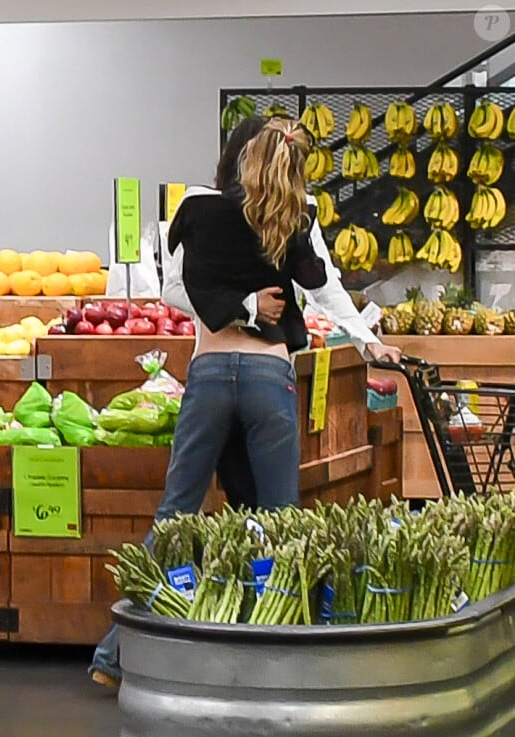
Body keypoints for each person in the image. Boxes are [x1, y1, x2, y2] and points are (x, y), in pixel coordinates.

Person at [89, 117, 400, 687]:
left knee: (176, 513)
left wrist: (233, 305)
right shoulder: (294, 215)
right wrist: (365, 338)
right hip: (267, 377)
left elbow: (172, 289)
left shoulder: (199, 209)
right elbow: (323, 283)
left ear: (234, 156)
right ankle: (275, 650)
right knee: (277, 520)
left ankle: (113, 655)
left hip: (208, 374)